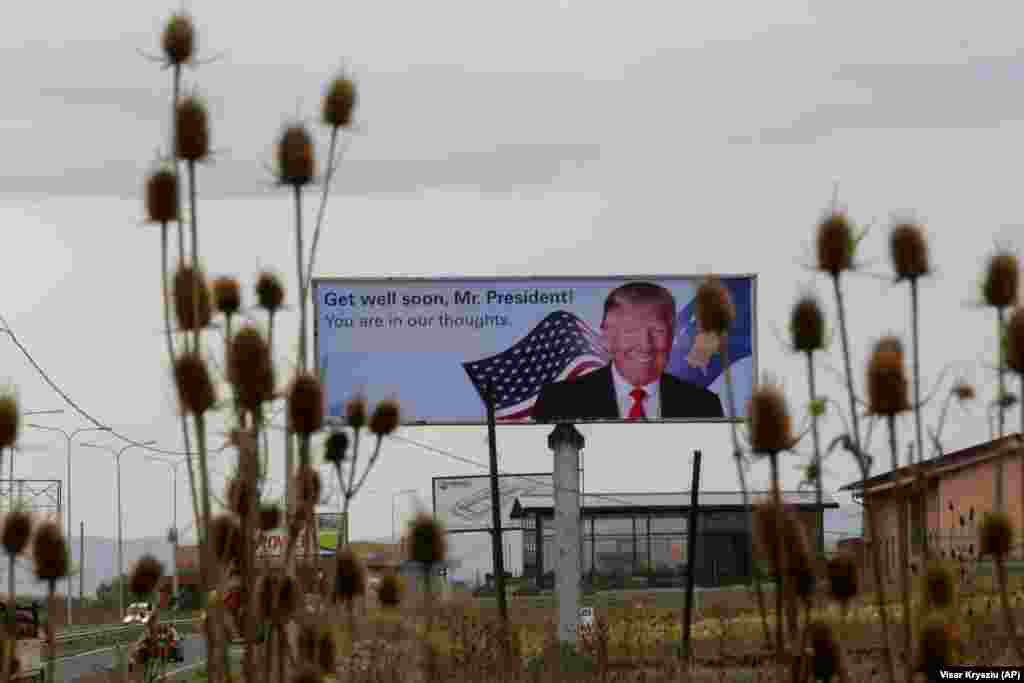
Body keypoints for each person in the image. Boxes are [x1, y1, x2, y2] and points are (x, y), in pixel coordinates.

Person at [531, 281, 723, 421]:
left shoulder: (705, 405)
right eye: (631, 330)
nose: (645, 343)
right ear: (607, 336)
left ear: (672, 336)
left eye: (657, 330)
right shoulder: (558, 402)